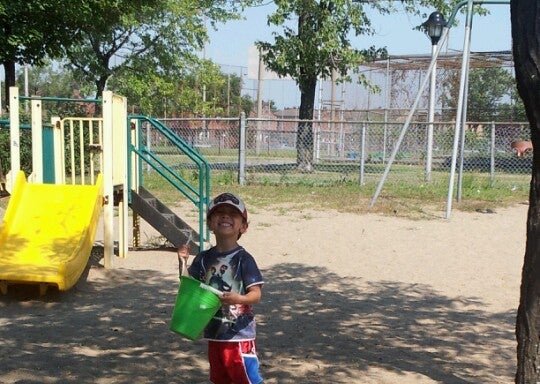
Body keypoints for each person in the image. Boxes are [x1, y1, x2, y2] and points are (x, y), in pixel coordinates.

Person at [177, 192, 264, 384]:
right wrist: (182, 261)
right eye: (219, 213)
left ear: (243, 226)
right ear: (209, 223)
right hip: (214, 334)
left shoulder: (244, 259)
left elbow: (256, 295)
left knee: (247, 379)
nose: (225, 216)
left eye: (232, 214)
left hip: (239, 336)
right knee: (220, 379)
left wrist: (238, 299)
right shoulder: (203, 258)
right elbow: (189, 286)